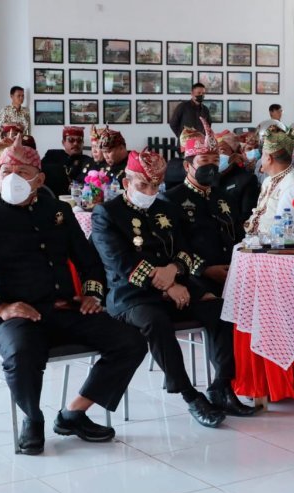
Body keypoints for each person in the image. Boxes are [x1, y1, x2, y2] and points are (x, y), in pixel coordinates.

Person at [0, 135, 147, 455]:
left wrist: (91, 295)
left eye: (22, 172)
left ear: (39, 179)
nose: (12, 178)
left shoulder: (57, 210)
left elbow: (89, 261)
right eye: (4, 171)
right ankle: (32, 418)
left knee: (131, 341)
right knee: (24, 350)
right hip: (14, 314)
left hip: (63, 308)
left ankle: (74, 413)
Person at [91, 150, 259, 427]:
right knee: (156, 321)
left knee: (220, 310)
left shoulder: (166, 208)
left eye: (155, 186)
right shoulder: (106, 213)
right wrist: (168, 286)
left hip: (176, 286)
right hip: (130, 295)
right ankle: (190, 395)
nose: (149, 191)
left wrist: (174, 272)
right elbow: (120, 262)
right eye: (142, 185)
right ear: (126, 183)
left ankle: (221, 385)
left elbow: (184, 252)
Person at [165, 118, 244, 297]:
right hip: (194, 278)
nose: (211, 166)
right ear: (187, 165)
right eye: (204, 160)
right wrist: (205, 269)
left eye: (215, 161)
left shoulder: (225, 197)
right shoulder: (171, 200)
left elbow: (239, 234)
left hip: (233, 274)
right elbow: (174, 246)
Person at [244, 127, 294, 234]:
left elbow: (289, 226)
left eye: (262, 154)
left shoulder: (293, 184)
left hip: (276, 245)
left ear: (268, 158)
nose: (260, 159)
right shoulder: (268, 180)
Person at [214, 130, 259, 227]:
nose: (217, 155)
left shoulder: (247, 180)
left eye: (222, 150)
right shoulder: (208, 178)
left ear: (234, 155)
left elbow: (247, 216)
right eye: (214, 151)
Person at [40, 126, 94, 195]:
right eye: (71, 140)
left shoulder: (88, 161)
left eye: (79, 140)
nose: (75, 143)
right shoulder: (52, 156)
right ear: (63, 142)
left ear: (82, 143)